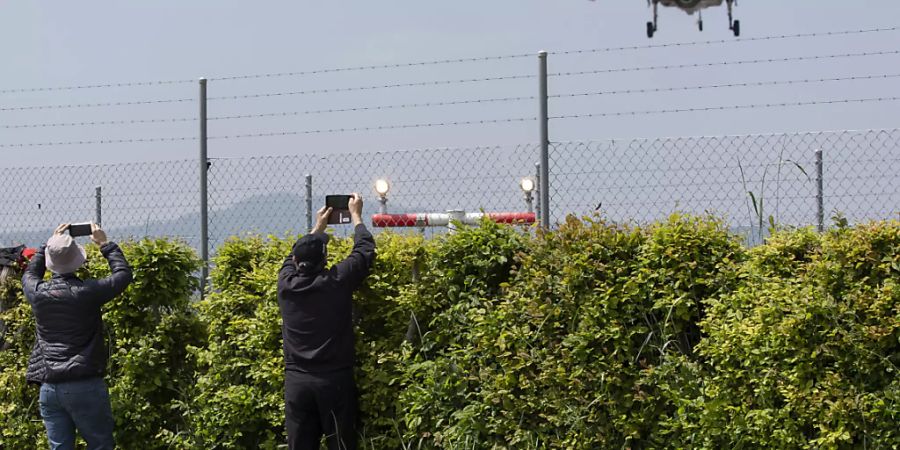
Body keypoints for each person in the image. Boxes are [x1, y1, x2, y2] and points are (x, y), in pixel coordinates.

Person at [278, 193, 376, 450]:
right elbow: (365, 250)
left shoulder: (285, 285)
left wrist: (317, 227)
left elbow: (292, 258)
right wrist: (356, 216)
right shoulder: (336, 282)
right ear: (324, 261)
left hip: (296, 383)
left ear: (297, 262)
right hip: (334, 381)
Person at [22, 223, 133, 450]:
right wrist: (105, 244)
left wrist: (49, 245)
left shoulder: (37, 293)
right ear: (78, 260)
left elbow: (30, 274)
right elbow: (122, 275)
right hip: (85, 384)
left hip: (49, 387)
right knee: (100, 445)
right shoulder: (88, 292)